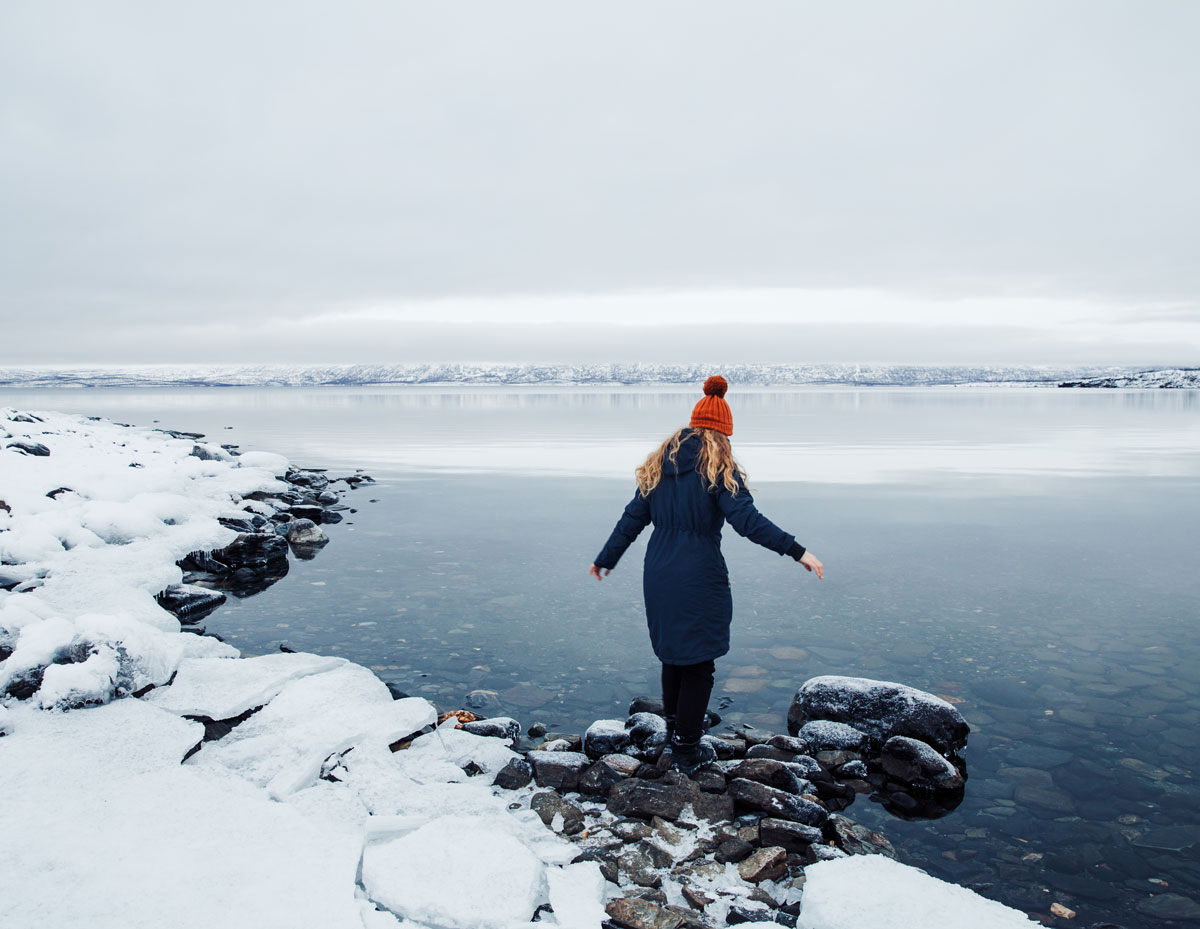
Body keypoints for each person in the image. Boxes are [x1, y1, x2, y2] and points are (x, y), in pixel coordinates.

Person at [589, 375, 824, 774]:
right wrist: (797, 550)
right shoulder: (719, 469)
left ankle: (674, 732)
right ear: (723, 432)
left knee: (673, 656)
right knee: (699, 661)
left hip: (659, 571)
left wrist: (605, 558)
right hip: (698, 572)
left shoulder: (659, 466)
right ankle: (687, 748)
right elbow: (747, 521)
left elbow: (631, 520)